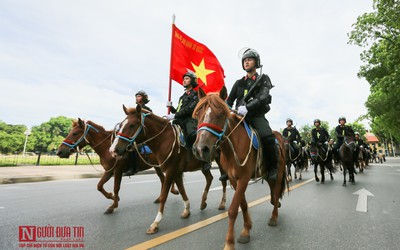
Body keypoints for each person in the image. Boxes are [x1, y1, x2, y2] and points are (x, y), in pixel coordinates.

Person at [224, 48, 278, 181]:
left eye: (250, 59)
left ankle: (272, 168)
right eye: (245, 60)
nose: (247, 62)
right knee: (221, 135)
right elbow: (229, 101)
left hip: (256, 116)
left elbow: (264, 97)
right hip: (238, 117)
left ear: (256, 62)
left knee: (268, 137)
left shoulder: (263, 78)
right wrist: (227, 109)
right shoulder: (238, 83)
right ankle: (226, 168)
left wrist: (247, 107)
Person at [166, 71, 211, 172]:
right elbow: (179, 110)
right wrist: (171, 107)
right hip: (179, 120)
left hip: (189, 120)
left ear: (192, 81)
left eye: (187, 78)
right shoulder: (182, 97)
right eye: (184, 79)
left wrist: (175, 115)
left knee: (192, 135)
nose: (184, 80)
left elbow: (189, 110)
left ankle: (205, 160)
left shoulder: (196, 95)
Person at [123, 90, 153, 176]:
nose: (137, 98)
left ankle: (134, 168)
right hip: (135, 133)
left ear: (144, 98)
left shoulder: (147, 109)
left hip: (143, 135)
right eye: (136, 96)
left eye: (139, 96)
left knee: (133, 147)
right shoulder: (134, 110)